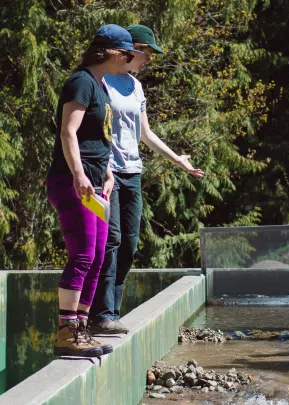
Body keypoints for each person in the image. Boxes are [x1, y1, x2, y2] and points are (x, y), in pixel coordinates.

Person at [88, 25, 205, 334]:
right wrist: (101, 166)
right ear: (132, 49)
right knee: (110, 240)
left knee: (129, 243)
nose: (149, 60)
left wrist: (177, 159)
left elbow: (146, 133)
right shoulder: (100, 80)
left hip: (133, 173)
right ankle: (101, 313)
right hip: (107, 172)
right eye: (148, 53)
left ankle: (111, 310)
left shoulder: (136, 87)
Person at [47, 24, 144, 357]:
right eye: (128, 53)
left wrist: (105, 171)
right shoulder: (82, 82)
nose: (131, 59)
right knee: (84, 254)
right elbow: (68, 132)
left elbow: (97, 138)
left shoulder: (101, 87)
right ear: (112, 52)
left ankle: (83, 328)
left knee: (99, 255)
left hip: (94, 183)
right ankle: (67, 332)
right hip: (72, 181)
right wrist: (78, 173)